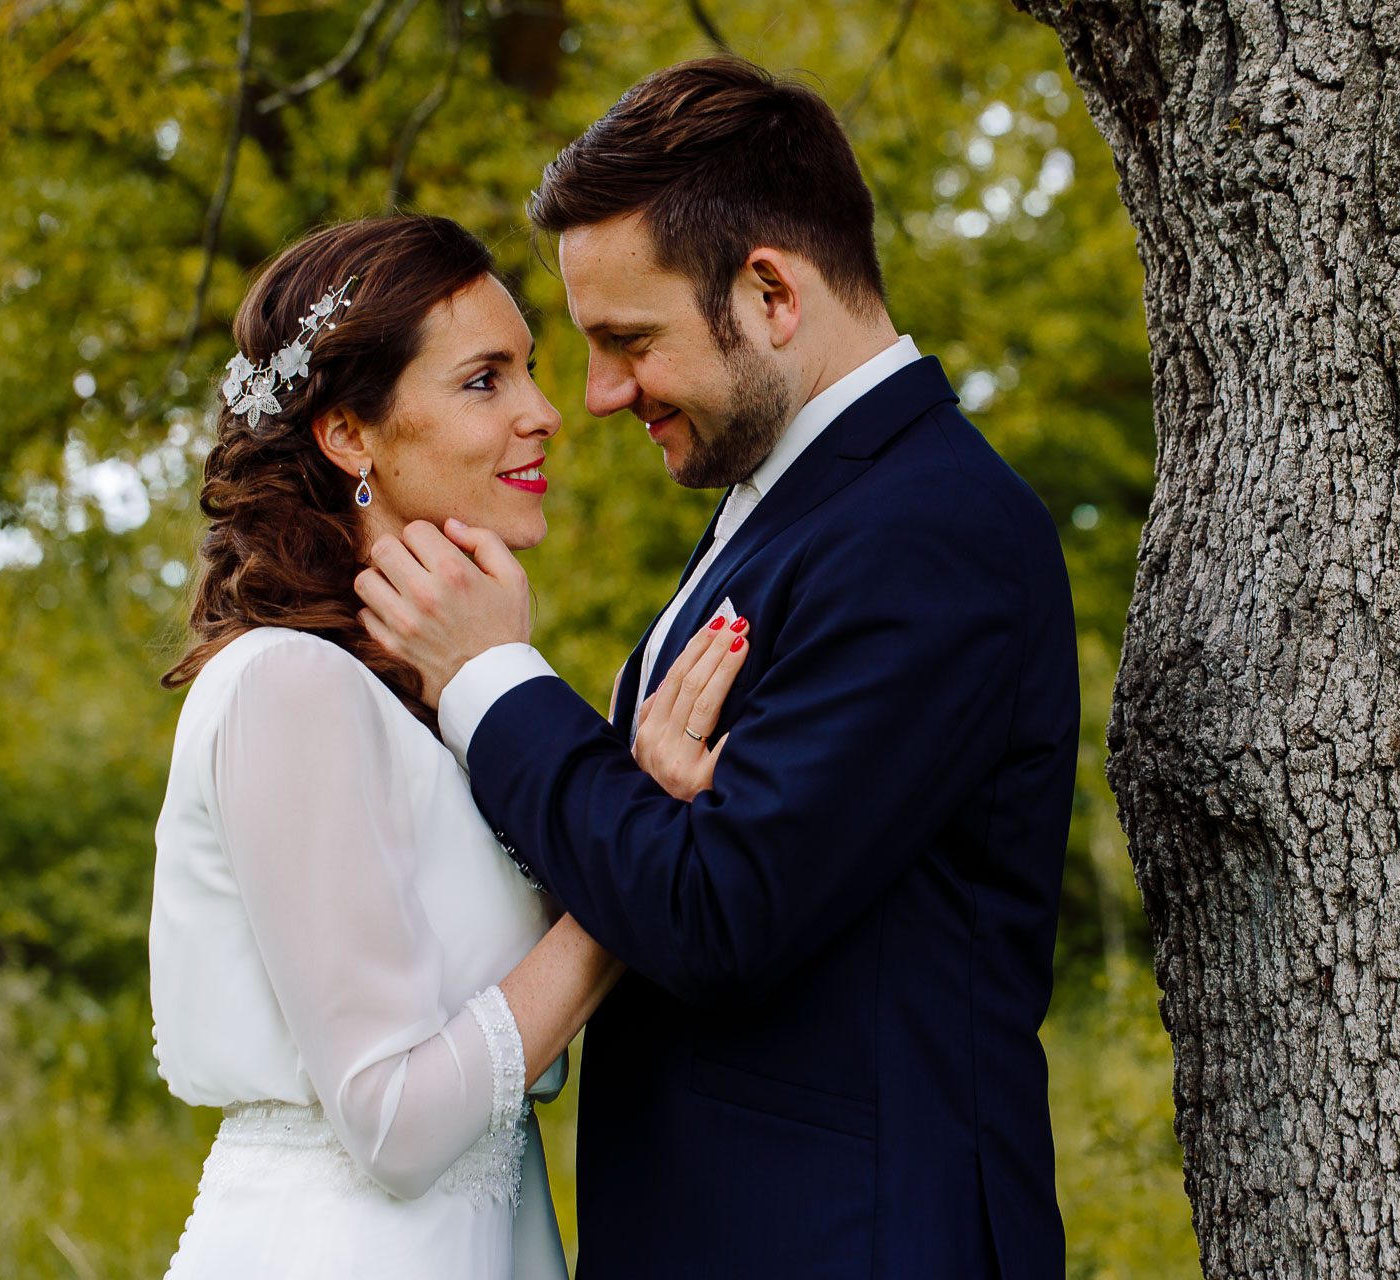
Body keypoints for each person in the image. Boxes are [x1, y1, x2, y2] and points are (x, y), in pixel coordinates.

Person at [356, 58, 1079, 1278]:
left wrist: (487, 677)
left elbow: (716, 910)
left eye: (628, 340)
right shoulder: (798, 498)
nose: (595, 396)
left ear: (770, 292)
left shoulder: (927, 528)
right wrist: (644, 795)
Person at [149, 213, 745, 1280]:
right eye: (485, 381)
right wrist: (641, 847)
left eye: (530, 372)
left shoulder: (424, 705)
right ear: (348, 435)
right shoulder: (290, 683)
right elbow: (394, 1121)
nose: (546, 413)